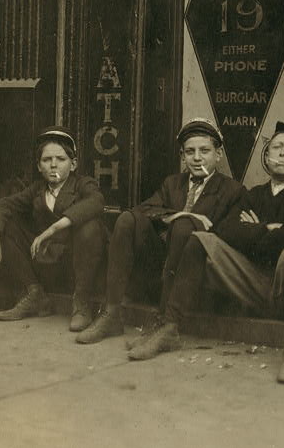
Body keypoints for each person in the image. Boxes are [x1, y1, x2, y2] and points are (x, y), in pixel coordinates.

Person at [134, 120, 284, 382]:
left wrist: (255, 230)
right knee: (201, 239)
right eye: (277, 147)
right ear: (267, 154)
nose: (282, 153)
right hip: (257, 285)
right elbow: (226, 231)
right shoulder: (254, 195)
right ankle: (170, 326)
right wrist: (268, 229)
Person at [76, 117, 245, 346]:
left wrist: (197, 223)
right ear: (182, 156)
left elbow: (232, 233)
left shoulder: (233, 190)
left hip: (193, 278)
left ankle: (165, 322)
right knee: (127, 219)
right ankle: (112, 312)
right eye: (189, 152)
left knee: (185, 226)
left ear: (218, 154)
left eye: (204, 151)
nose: (196, 158)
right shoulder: (173, 183)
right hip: (160, 267)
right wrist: (173, 216)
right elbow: (145, 209)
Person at [0, 126, 108, 329]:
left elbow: (96, 202)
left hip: (74, 267)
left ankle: (82, 303)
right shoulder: (36, 190)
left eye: (61, 159)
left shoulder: (83, 184)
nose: (53, 165)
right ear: (39, 166)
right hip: (46, 265)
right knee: (6, 223)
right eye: (47, 160)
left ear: (73, 164)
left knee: (90, 227)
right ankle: (34, 294)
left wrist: (52, 230)